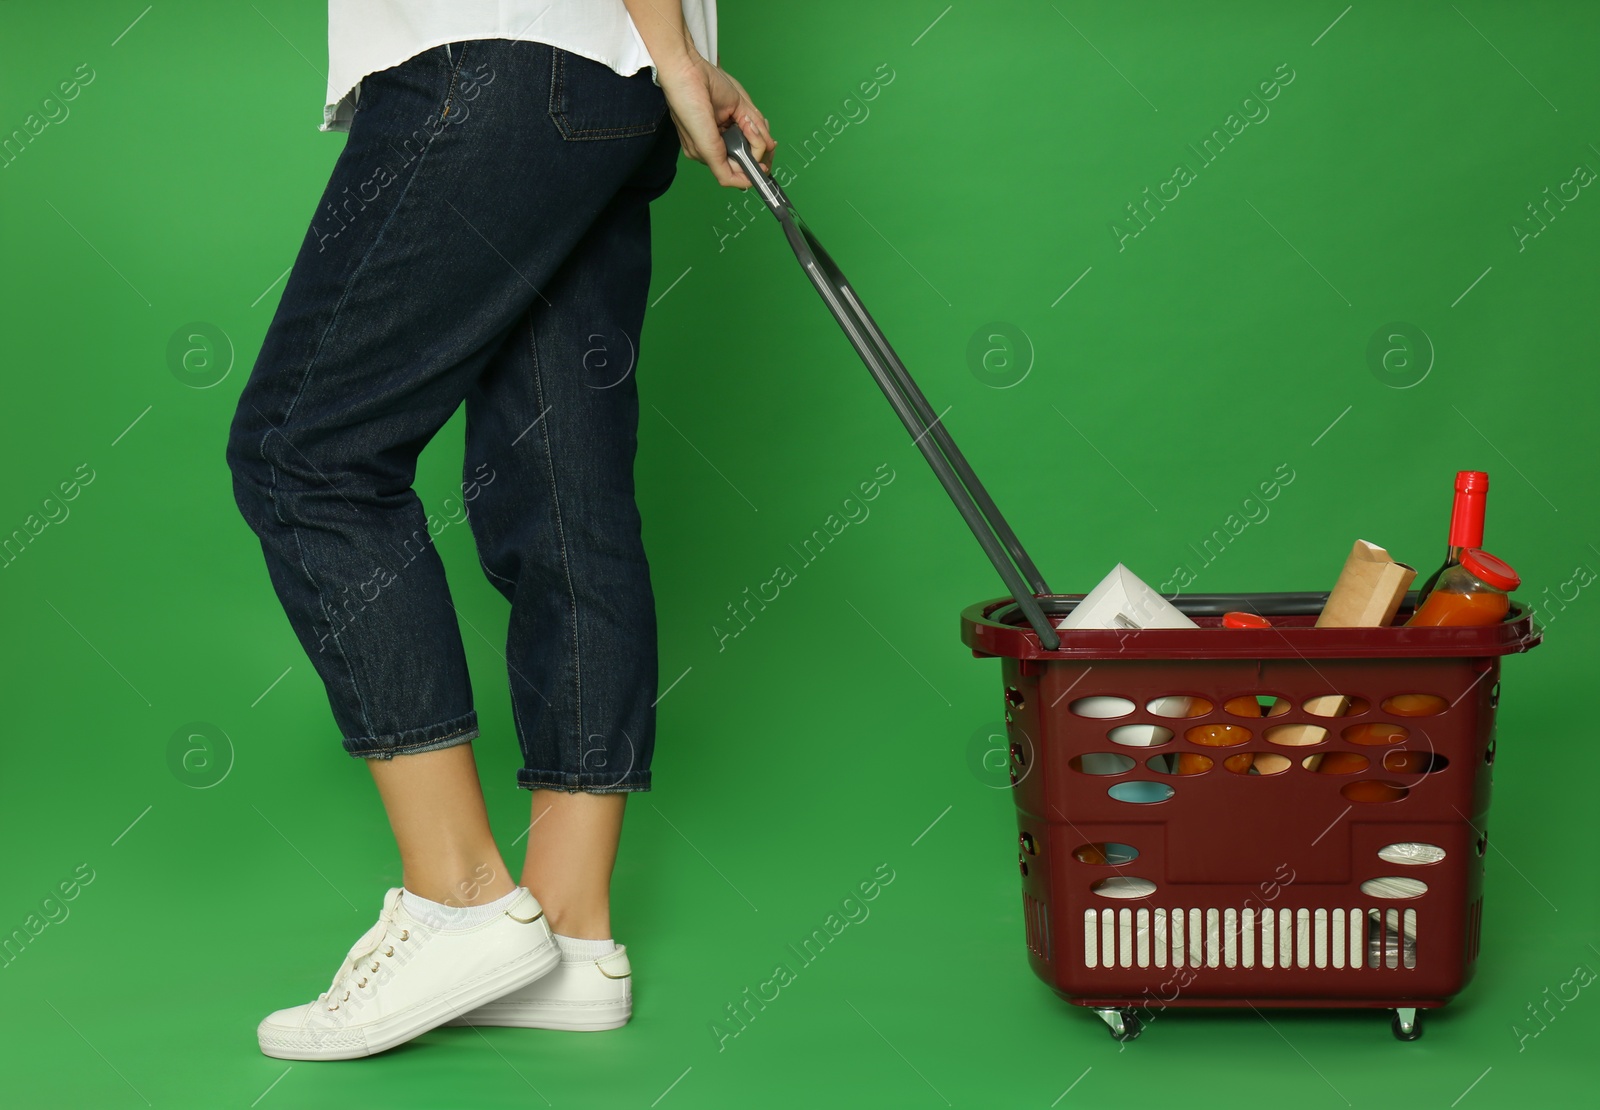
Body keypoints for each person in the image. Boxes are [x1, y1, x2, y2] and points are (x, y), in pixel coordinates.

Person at [225, 0, 773, 1061]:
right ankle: (566, 934)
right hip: (607, 86)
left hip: (497, 63)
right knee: (563, 487)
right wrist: (673, 57)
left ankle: (461, 902)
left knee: (307, 457)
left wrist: (670, 50)